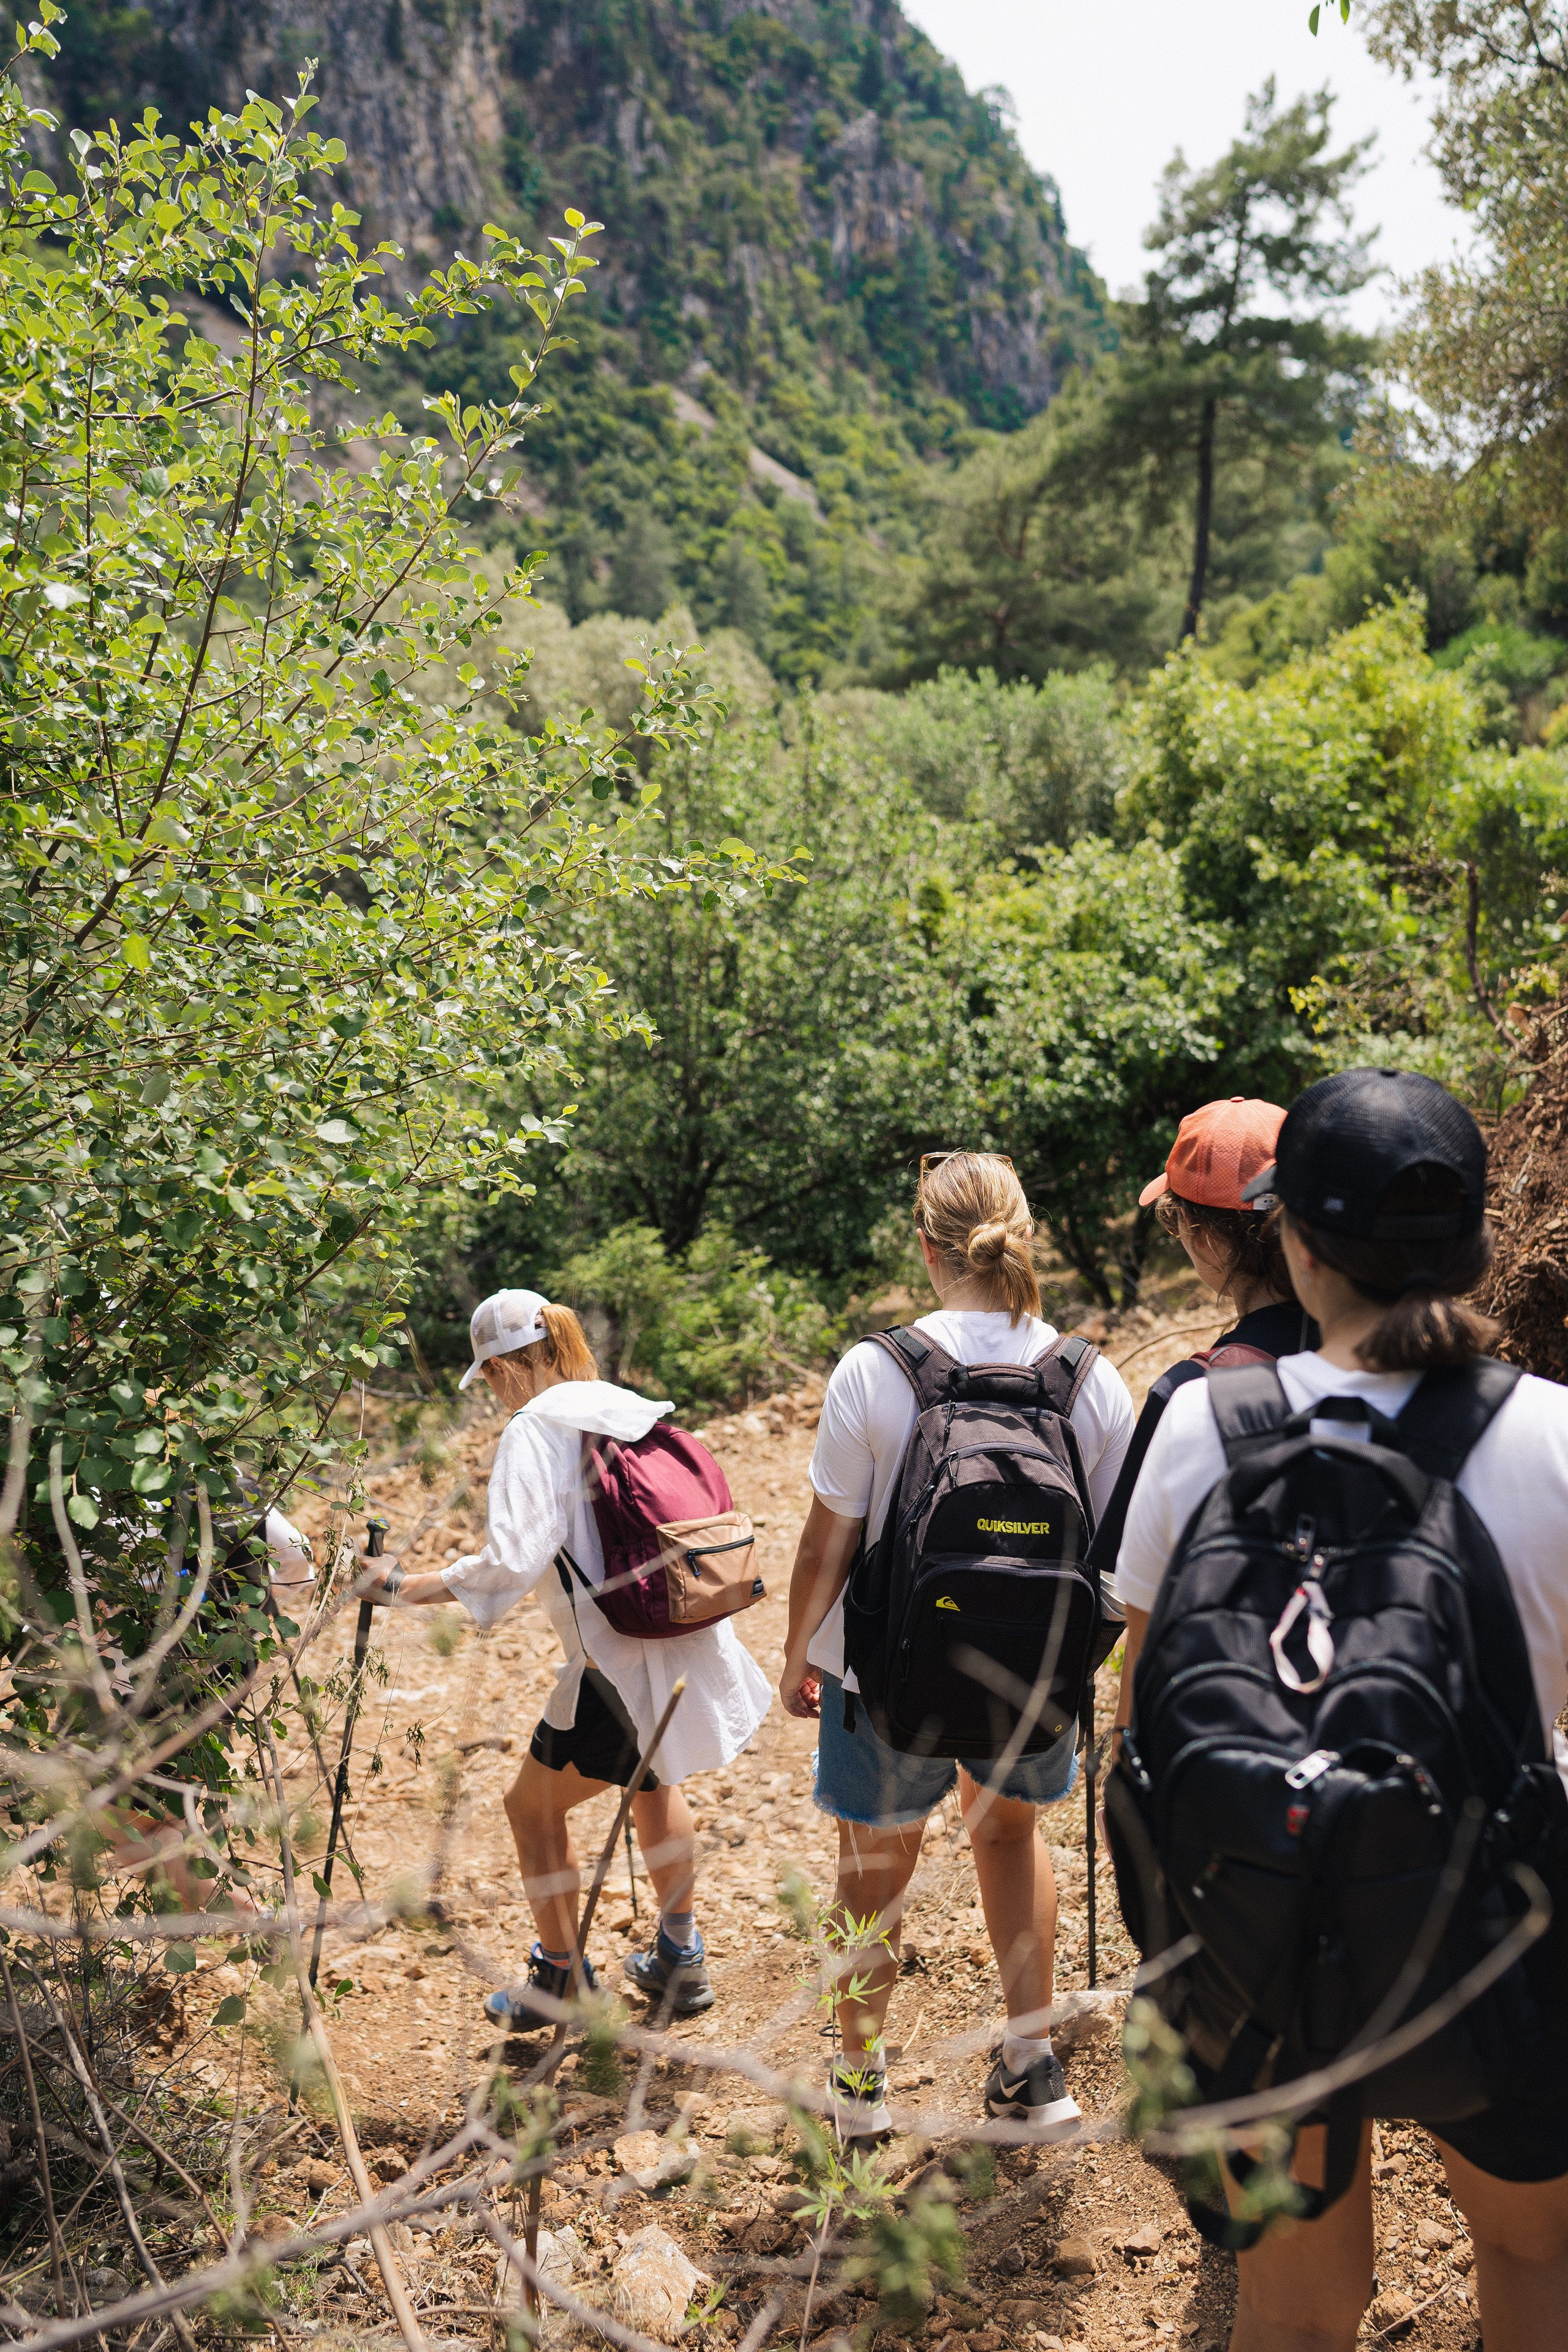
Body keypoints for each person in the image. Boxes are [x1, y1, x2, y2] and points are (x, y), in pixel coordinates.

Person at [1110, 1068, 1568, 2352]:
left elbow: (1148, 1707)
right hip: (1488, 1932)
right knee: (1533, 2256)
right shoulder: (1550, 1437)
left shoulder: (1202, 1427)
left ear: (1294, 1247)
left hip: (1257, 1922)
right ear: (1477, 1246)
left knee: (1294, 2306)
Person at [780, 1152, 1135, 2141]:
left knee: (874, 1864)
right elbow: (1120, 1551)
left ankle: (859, 2092)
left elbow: (826, 1542)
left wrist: (800, 1654)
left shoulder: (877, 1369)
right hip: (1032, 1670)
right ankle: (1032, 2066)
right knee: (1011, 1839)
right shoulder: (1088, 1378)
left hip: (888, 1670)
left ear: (926, 1247)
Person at [363, 1288, 770, 2024]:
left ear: (498, 1370)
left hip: (612, 1663)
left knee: (531, 1809)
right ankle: (681, 1956)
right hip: (682, 1629)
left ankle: (560, 1981)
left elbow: (512, 1559)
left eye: (487, 1378)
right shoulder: (620, 1404)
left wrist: (403, 1588)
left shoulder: (532, 1429)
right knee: (654, 1779)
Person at [1087, 1095, 1314, 1585]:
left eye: (1175, 1223)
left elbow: (1134, 1594)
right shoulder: (1374, 1351)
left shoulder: (1190, 1393)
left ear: (1204, 1236)